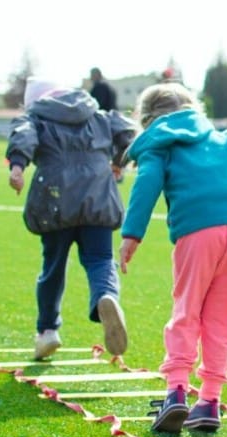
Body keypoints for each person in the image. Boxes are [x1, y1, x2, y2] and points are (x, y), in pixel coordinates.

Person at [119, 82, 227, 434]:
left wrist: (132, 234)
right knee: (223, 320)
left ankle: (175, 392)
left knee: (186, 310)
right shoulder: (226, 139)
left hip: (197, 232)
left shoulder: (160, 143)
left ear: (147, 118)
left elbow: (147, 183)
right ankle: (209, 401)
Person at [7, 77, 134, 360]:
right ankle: (105, 296)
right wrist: (118, 161)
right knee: (101, 259)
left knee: (53, 266)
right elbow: (127, 131)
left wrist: (17, 166)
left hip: (55, 200)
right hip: (99, 197)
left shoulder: (36, 117)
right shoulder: (97, 114)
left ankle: (48, 331)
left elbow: (23, 135)